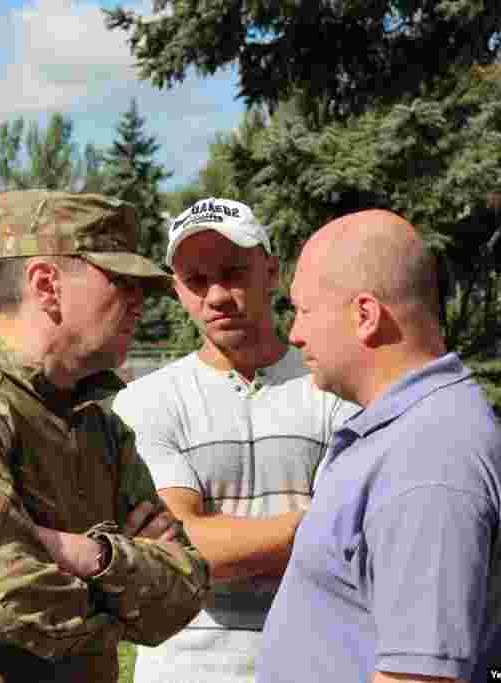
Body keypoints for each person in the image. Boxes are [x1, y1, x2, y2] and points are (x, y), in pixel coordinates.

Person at [0, 190, 210, 683]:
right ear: (46, 284)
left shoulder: (97, 423)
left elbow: (185, 588)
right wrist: (125, 602)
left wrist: (91, 556)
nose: (139, 303)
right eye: (121, 281)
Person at [259, 209, 501, 683]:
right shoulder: (407, 435)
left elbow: (420, 677)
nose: (294, 333)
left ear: (365, 315)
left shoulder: (428, 458)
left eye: (303, 310)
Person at [112, 197, 359, 682]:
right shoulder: (145, 403)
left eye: (233, 271)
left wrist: (212, 541)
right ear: (178, 289)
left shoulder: (337, 389)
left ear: (271, 270)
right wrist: (313, 531)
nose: (217, 295)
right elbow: (178, 551)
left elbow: (359, 540)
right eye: (196, 281)